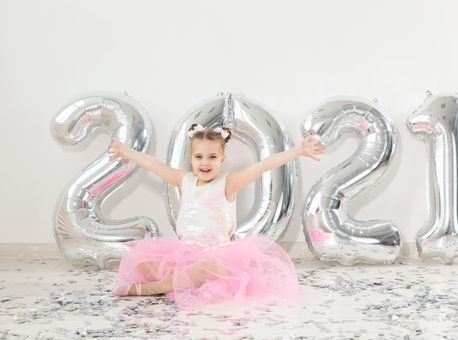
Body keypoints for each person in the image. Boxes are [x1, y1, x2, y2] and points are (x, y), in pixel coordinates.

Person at [109, 123, 325, 309]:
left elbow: (262, 166)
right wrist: (125, 151)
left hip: (218, 256)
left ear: (222, 159)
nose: (205, 163)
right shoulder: (184, 181)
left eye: (212, 157)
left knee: (210, 268)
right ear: (191, 159)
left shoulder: (228, 183)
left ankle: (154, 288)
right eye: (199, 157)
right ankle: (181, 279)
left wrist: (298, 151)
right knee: (142, 262)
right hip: (186, 253)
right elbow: (153, 164)